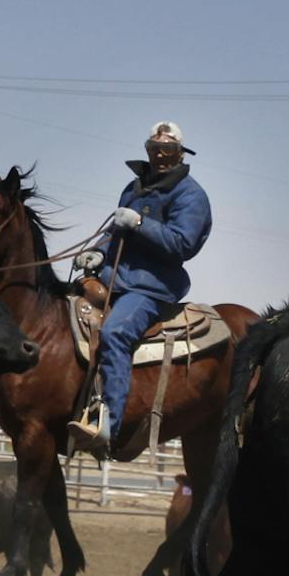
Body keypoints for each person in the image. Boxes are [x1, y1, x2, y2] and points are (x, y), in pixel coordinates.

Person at [68, 121, 211, 452]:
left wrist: (140, 223)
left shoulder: (191, 195)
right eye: (154, 148)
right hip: (112, 278)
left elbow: (183, 243)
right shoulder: (134, 187)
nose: (159, 155)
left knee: (115, 333)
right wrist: (98, 251)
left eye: (167, 149)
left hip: (150, 287)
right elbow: (115, 233)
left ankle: (108, 425)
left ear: (180, 154)